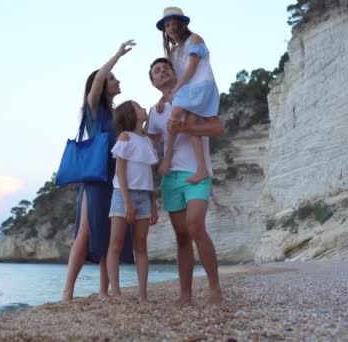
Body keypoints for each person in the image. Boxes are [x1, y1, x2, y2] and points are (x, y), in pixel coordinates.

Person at [61, 40, 136, 302]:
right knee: (85, 232)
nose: (116, 81)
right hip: (96, 177)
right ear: (103, 84)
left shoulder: (116, 115)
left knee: (107, 231)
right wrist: (118, 54)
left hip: (114, 177)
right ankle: (67, 292)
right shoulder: (94, 109)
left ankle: (104, 292)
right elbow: (99, 78)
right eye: (112, 79)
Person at [147, 57, 225, 305]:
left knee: (195, 226)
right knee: (181, 236)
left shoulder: (193, 98)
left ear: (174, 72)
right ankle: (185, 294)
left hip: (197, 174)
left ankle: (215, 288)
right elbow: (152, 147)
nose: (162, 72)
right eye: (157, 71)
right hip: (171, 178)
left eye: (165, 68)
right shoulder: (155, 112)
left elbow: (217, 129)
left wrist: (187, 129)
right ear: (153, 82)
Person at [155, 6, 220, 184]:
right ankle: (202, 169)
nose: (171, 28)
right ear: (165, 32)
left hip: (201, 86)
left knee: (175, 116)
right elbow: (174, 78)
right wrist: (163, 97)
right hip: (188, 91)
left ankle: (168, 159)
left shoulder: (195, 39)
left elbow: (191, 68)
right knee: (189, 125)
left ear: (183, 24)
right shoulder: (174, 53)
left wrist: (176, 91)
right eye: (167, 26)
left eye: (174, 23)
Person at [107, 100, 159, 304]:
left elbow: (150, 175)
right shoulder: (125, 137)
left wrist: (153, 203)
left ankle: (143, 295)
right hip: (122, 195)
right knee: (116, 246)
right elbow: (120, 171)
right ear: (131, 114)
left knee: (141, 247)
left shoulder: (147, 141)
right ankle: (117, 293)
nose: (144, 109)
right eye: (139, 107)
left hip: (144, 196)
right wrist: (128, 202)